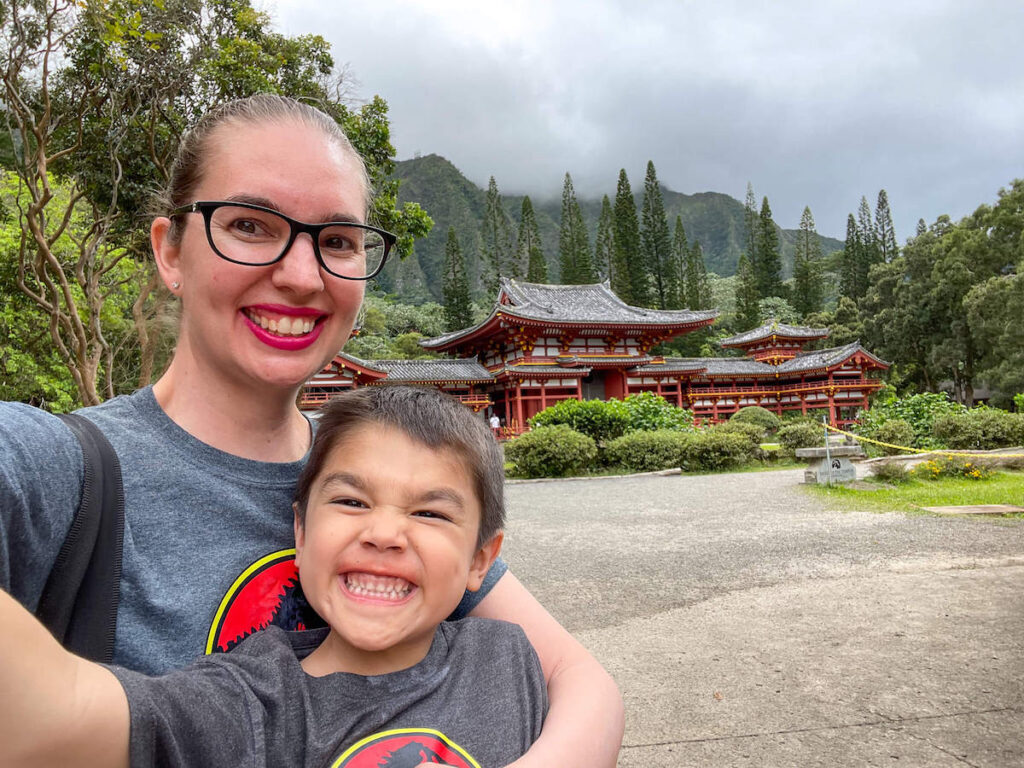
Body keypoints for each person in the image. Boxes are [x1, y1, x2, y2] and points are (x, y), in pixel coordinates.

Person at [0, 94, 623, 765]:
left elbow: (582, 685)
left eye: (336, 241)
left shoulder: (384, 464)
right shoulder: (55, 467)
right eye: (249, 225)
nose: (301, 276)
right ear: (170, 252)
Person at [0, 385, 547, 767]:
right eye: (352, 501)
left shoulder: (507, 655)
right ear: (301, 532)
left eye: (429, 512)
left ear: (481, 559)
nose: (385, 533)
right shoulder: (251, 698)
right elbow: (55, 711)